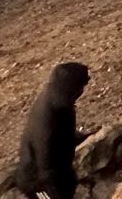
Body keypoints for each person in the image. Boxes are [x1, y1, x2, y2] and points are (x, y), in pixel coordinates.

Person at [12, 62, 90, 199]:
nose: (82, 91)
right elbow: (45, 168)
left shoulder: (58, 102)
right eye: (81, 86)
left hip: (56, 172)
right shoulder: (48, 119)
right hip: (37, 183)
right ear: (71, 88)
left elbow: (63, 135)